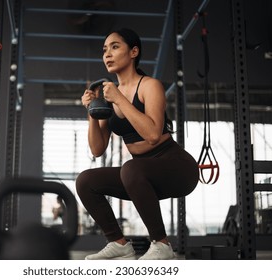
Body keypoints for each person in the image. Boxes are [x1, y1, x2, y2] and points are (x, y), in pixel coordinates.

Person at [76, 28, 199, 260]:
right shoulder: (110, 95)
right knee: (86, 181)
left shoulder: (149, 85)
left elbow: (152, 135)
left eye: (115, 47)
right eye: (104, 50)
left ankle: (162, 244)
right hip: (140, 174)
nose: (107, 55)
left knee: (131, 168)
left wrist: (119, 98)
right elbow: (97, 149)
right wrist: (91, 112)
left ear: (133, 52)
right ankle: (119, 244)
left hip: (177, 167)